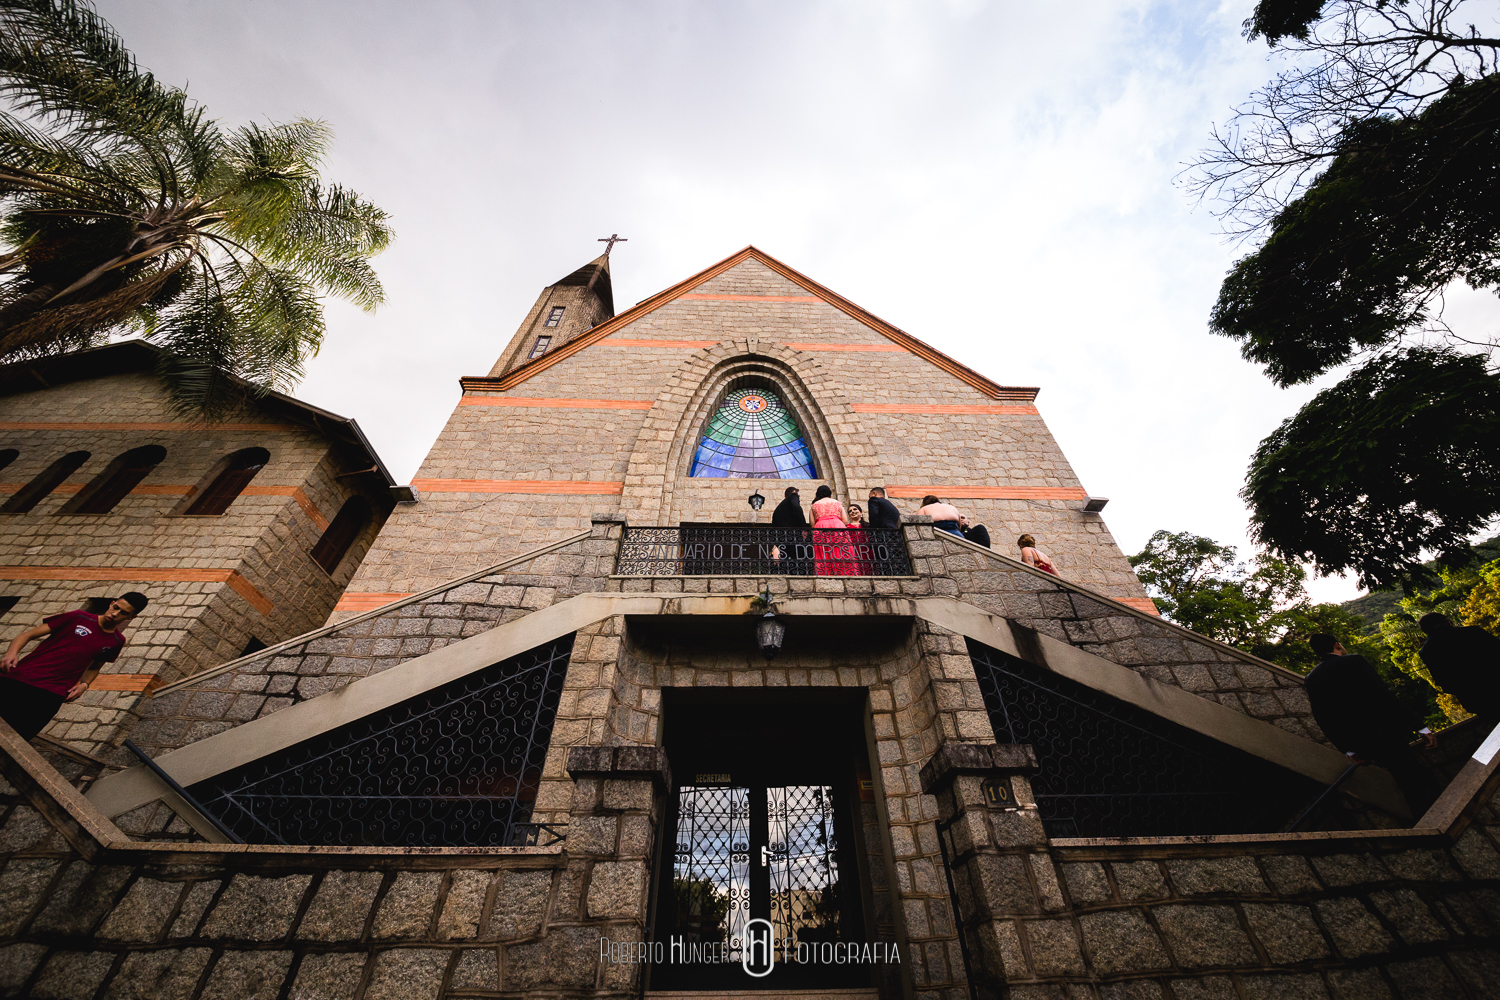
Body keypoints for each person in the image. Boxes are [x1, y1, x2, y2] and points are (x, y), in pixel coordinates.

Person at [1304, 632, 1441, 819]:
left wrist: (1348, 750)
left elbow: (1324, 718)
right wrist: (1420, 727)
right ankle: (1432, 814)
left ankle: (1428, 812)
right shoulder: (1354, 661)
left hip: (1363, 741)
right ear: (1337, 644)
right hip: (1387, 729)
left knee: (1404, 773)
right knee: (1411, 775)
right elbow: (1383, 694)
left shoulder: (1313, 678)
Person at [0, 593, 147, 740]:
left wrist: (85, 684)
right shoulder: (78, 617)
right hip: (18, 679)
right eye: (115, 607)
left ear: (131, 617)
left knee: (17, 739)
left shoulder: (117, 641)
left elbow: (94, 667)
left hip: (51, 695)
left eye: (124, 613)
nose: (115, 614)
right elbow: (27, 635)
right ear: (111, 603)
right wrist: (11, 653)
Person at [1419, 613, 1500, 730]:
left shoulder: (1426, 651)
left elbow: (1442, 681)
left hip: (1476, 700)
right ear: (1447, 621)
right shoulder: (1473, 632)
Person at [810, 484, 852, 576]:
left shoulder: (814, 505)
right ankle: (844, 572)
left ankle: (825, 574)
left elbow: (812, 524)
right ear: (830, 493)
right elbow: (845, 521)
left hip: (821, 527)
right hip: (837, 525)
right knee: (841, 550)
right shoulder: (837, 503)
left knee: (823, 552)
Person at [770, 486, 808, 572]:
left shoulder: (778, 509)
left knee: (787, 563)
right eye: (798, 494)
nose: (799, 497)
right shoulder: (793, 497)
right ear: (794, 492)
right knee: (798, 561)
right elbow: (796, 508)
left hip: (783, 541)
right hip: (793, 537)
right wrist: (803, 528)